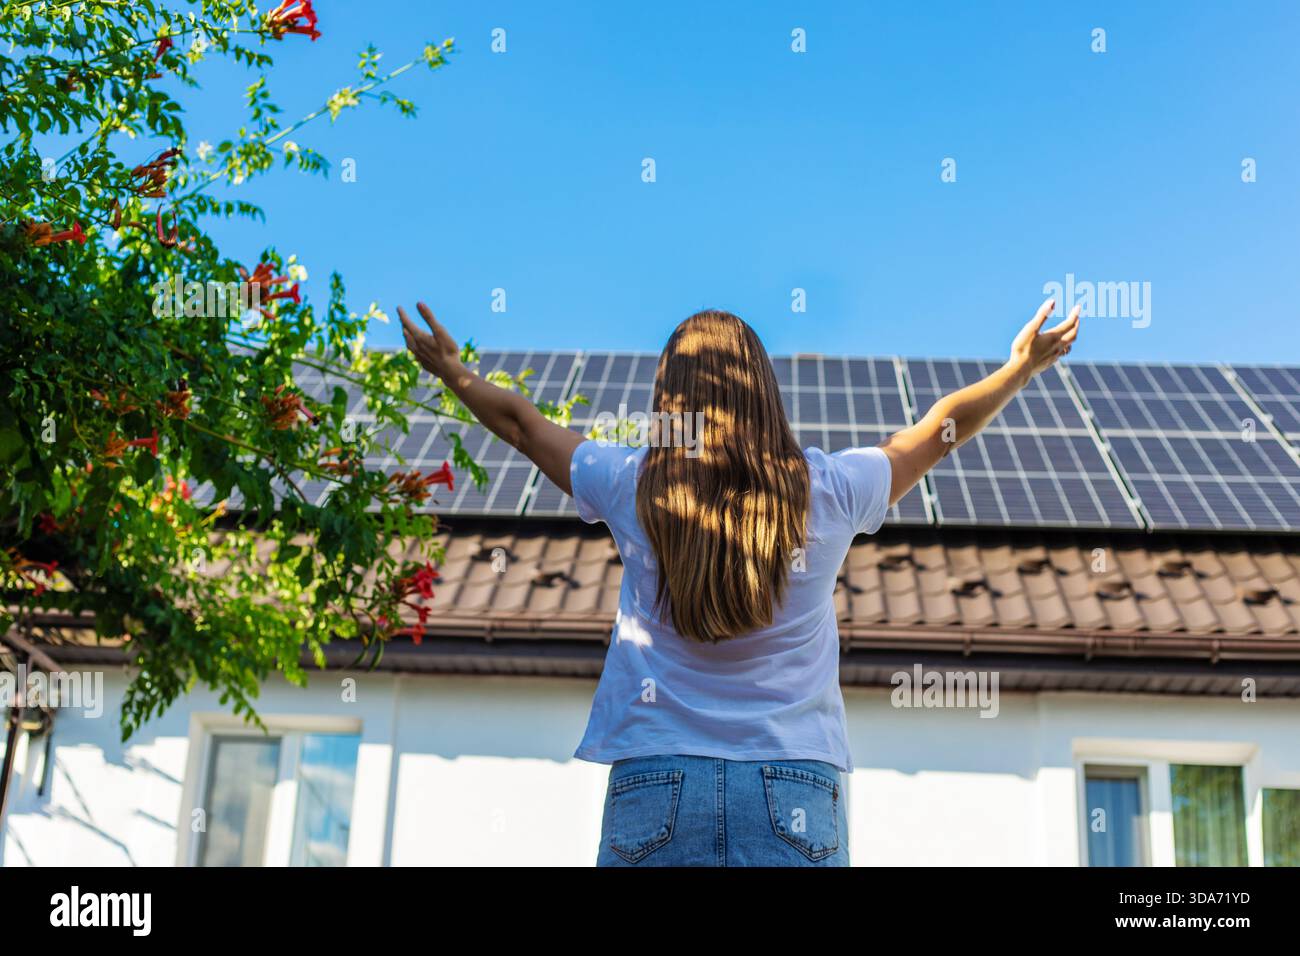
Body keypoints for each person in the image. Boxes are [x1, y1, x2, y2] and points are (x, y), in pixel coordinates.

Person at [399, 299, 1081, 866]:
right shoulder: (832, 489)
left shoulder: (631, 484)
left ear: (669, 397)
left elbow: (522, 425)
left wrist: (453, 373)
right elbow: (938, 431)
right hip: (794, 790)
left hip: (655, 782)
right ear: (764, 390)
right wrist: (1019, 369)